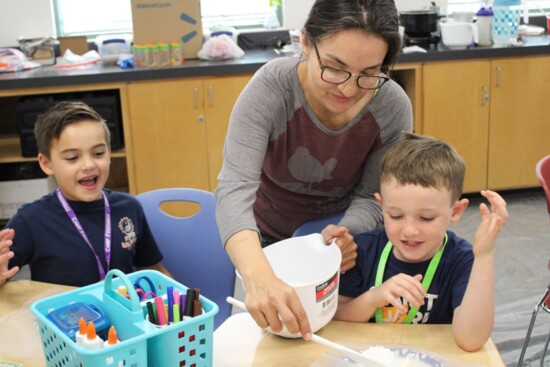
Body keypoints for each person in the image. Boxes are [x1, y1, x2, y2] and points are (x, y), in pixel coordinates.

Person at [215, 0, 412, 339]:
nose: (348, 89)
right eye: (334, 68)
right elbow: (234, 189)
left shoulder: (391, 106)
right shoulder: (271, 91)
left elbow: (372, 196)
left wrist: (343, 235)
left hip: (341, 246)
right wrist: (260, 278)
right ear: (305, 42)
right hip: (266, 242)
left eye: (368, 74)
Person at [335, 132, 508, 352]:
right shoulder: (362, 250)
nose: (409, 230)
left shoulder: (462, 259)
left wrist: (484, 256)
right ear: (381, 206)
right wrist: (373, 298)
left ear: (455, 211)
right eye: (395, 216)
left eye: (426, 218)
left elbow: (471, 340)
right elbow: (336, 317)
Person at [0, 101, 171, 287]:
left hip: (122, 313)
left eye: (98, 153)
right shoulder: (31, 220)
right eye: (72, 158)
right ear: (46, 164)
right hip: (64, 314)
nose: (89, 165)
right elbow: (4, 274)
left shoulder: (129, 207)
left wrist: (183, 301)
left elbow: (153, 268)